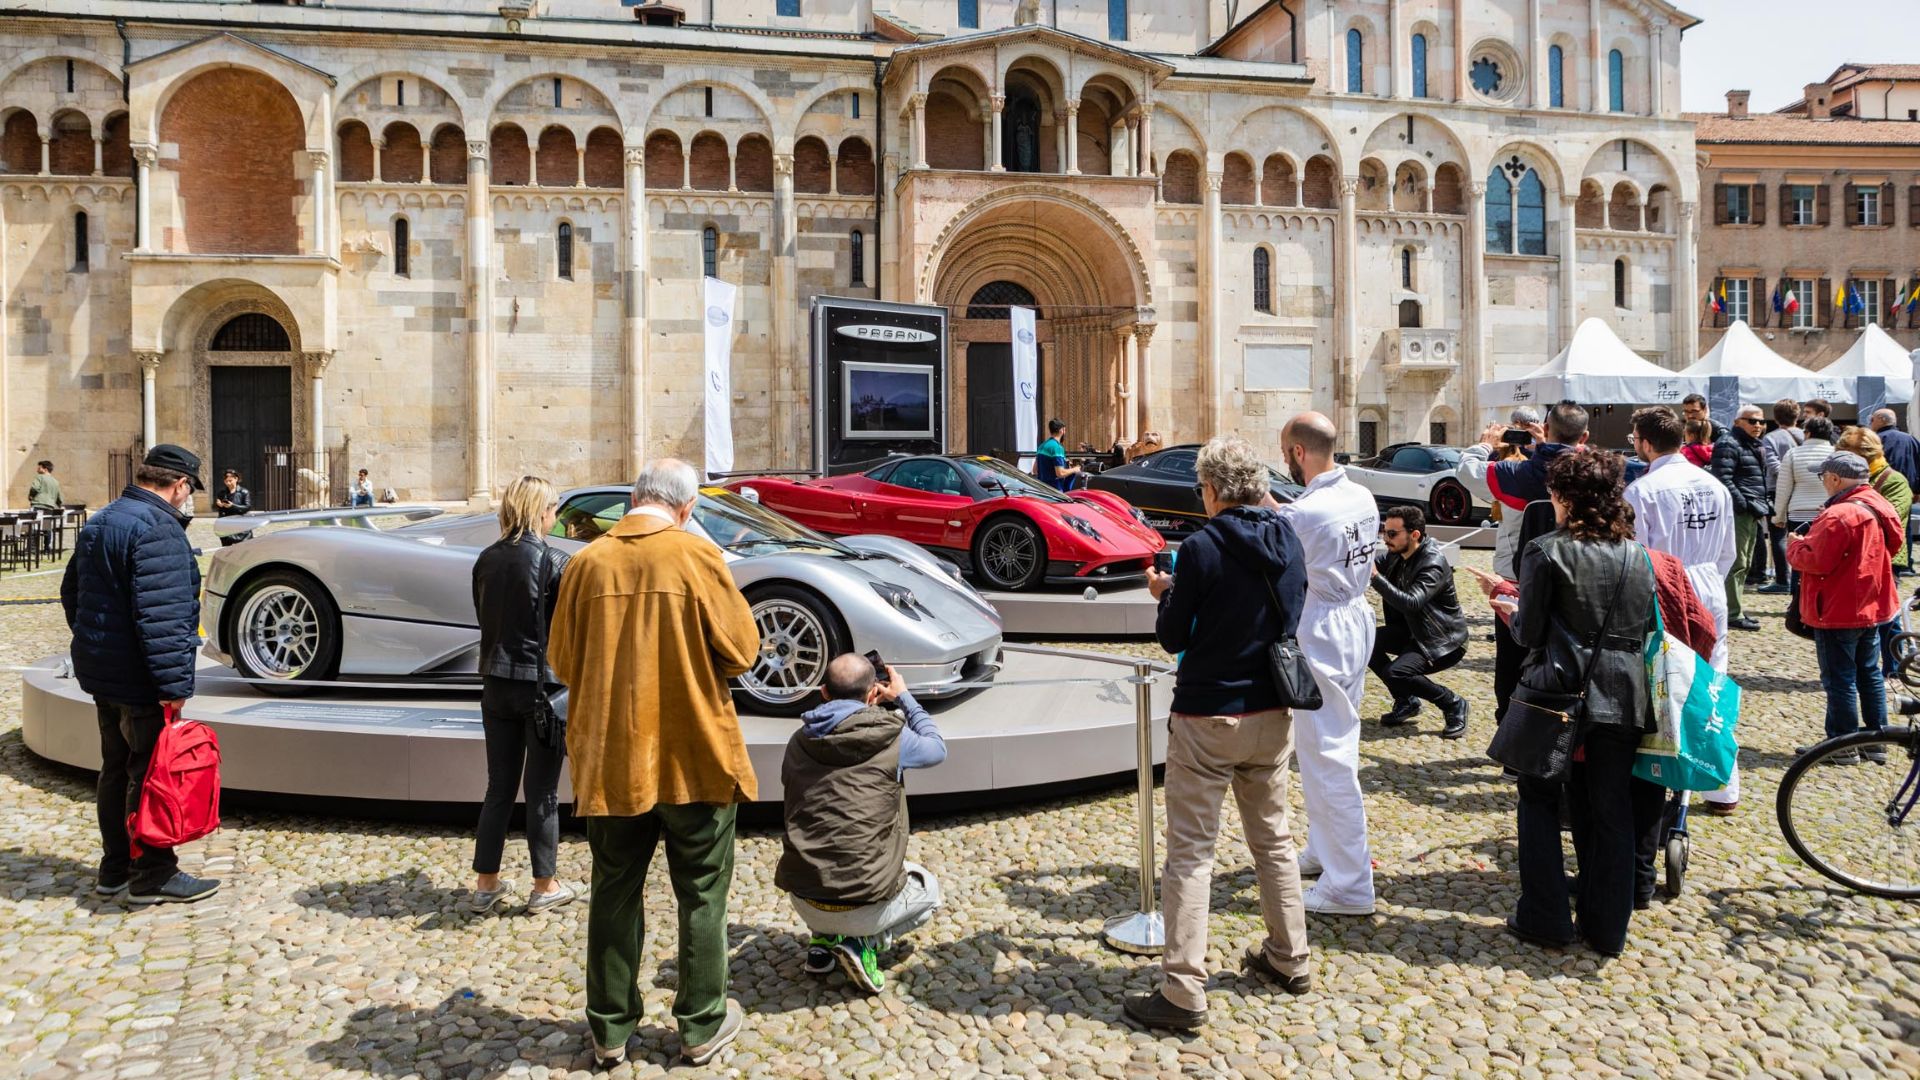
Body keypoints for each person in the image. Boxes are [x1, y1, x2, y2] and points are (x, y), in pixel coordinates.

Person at [547, 459, 760, 1068]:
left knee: (614, 891)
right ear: (686, 508)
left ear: (633, 499)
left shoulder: (585, 563)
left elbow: (563, 661)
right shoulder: (697, 558)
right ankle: (700, 1024)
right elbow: (743, 650)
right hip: (695, 754)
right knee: (701, 894)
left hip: (614, 758)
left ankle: (610, 1029)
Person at [1126, 435, 1310, 1031]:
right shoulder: (1288, 539)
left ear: (1210, 490)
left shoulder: (1202, 547)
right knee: (1275, 840)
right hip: (1272, 710)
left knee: (1191, 854)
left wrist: (1166, 594)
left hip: (1209, 712)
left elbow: (1174, 637)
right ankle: (1290, 956)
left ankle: (1183, 991)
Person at [1493, 451, 1662, 958]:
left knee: (1540, 801)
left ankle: (1545, 914)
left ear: (1564, 497)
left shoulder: (1546, 551)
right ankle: (1607, 927)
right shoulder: (1637, 555)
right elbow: (1644, 628)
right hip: (1624, 692)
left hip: (1558, 690)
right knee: (1610, 811)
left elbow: (1530, 632)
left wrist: (1511, 608)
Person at [59, 444, 220, 906]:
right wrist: (173, 688)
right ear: (181, 485)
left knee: (115, 769)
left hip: (104, 672)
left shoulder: (104, 519)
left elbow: (73, 595)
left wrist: (98, 647)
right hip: (140, 679)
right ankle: (152, 873)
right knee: (150, 773)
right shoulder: (159, 530)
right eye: (188, 491)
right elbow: (166, 619)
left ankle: (115, 869)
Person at [777, 654, 946, 996]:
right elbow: (936, 748)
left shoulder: (798, 741)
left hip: (804, 896)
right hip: (864, 901)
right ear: (872, 695)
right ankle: (864, 944)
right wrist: (902, 698)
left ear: (823, 692)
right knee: (929, 891)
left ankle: (823, 943)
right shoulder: (892, 739)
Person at [1273, 412, 1379, 916]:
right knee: (1332, 744)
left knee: (1326, 754)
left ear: (1297, 452)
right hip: (1356, 616)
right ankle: (1325, 849)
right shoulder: (1360, 495)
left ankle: (1350, 883)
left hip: (1324, 626)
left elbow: (1285, 542)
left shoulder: (1307, 512)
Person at [1625, 406, 1741, 814]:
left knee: (1667, 683)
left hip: (1668, 584)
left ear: (1644, 441)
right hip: (1709, 582)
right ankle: (1721, 786)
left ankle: (1667, 774)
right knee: (1712, 680)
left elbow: (1638, 553)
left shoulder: (1644, 490)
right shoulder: (1714, 485)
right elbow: (1729, 551)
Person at [469, 476, 575, 915]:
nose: (556, 515)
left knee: (499, 788)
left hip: (495, 683)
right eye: (553, 507)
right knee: (543, 791)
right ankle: (544, 886)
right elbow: (568, 629)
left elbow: (483, 618)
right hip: (542, 690)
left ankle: (485, 884)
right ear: (539, 511)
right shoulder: (554, 561)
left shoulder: (485, 559)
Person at [1470, 401, 1590, 721]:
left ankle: (1512, 730)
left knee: (1512, 658)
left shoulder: (1522, 474)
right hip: (1580, 579)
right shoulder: (1596, 472)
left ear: (1546, 429)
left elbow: (1468, 471)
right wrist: (1548, 446)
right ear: (1585, 437)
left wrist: (1485, 443)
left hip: (1518, 576)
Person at [1786, 452, 1902, 764]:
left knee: (1840, 678)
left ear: (1835, 478)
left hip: (1838, 608)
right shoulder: (1878, 503)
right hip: (1871, 605)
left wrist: (1795, 544)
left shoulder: (1840, 514)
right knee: (1869, 673)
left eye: (1823, 476)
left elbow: (1815, 559)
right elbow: (1894, 546)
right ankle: (1876, 741)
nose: (1822, 481)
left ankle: (1841, 745)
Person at [1367, 505, 1469, 738]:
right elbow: (1370, 563)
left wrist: (1375, 577)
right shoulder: (1397, 554)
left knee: (1397, 672)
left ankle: (1452, 703)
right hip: (1411, 631)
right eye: (1384, 532)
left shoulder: (1433, 563)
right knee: (1365, 642)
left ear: (1415, 535)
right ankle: (1406, 700)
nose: (1386, 539)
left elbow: (1411, 603)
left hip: (1441, 640)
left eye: (1392, 534)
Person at [1834, 428, 1912, 679]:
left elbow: (1892, 520)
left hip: (1886, 556)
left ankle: (1893, 666)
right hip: (1857, 554)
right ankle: (1867, 668)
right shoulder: (1848, 479)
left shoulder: (1893, 480)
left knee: (1886, 614)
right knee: (1866, 612)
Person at [1709, 404, 1771, 635]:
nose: (1758, 425)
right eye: (1752, 421)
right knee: (1736, 562)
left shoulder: (1750, 444)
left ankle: (1735, 609)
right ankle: (1731, 613)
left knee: (1743, 563)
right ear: (1737, 422)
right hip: (1740, 510)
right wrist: (1743, 503)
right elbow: (1723, 477)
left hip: (1751, 508)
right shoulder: (1729, 443)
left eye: (1761, 422)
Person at [1755, 399, 1805, 593]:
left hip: (1777, 489)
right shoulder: (1806, 435)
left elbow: (1772, 463)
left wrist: (1788, 474)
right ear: (1797, 415)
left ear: (1775, 417)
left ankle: (1783, 579)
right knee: (1801, 534)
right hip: (1801, 489)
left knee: (1778, 535)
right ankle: (1799, 577)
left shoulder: (1771, 438)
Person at [1774, 416, 1837, 558]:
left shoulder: (1793, 453)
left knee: (1799, 555)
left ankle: (1798, 581)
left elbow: (1784, 488)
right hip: (1828, 512)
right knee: (1826, 555)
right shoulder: (1836, 454)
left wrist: (1779, 516)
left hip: (1798, 513)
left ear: (1807, 433)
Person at [1033, 419, 1081, 492]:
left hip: (1042, 491)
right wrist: (1075, 469)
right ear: (1061, 430)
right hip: (1055, 492)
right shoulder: (1057, 447)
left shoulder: (1041, 446)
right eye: (1064, 430)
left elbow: (1035, 470)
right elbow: (1060, 473)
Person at [28, 459, 63, 553]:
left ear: (45, 469)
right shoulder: (55, 481)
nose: (37, 469)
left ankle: (32, 548)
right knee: (47, 527)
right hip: (50, 507)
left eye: (39, 467)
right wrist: (60, 505)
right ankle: (47, 548)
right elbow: (59, 497)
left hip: (38, 504)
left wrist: (31, 496)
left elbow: (34, 487)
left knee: (34, 526)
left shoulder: (39, 477)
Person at [212, 470, 252, 547]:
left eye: (230, 481)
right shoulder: (222, 493)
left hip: (240, 525)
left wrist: (232, 506)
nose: (228, 483)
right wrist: (218, 504)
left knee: (242, 548)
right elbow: (215, 506)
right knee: (227, 548)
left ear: (236, 479)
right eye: (226, 481)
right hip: (226, 524)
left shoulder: (244, 492)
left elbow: (247, 507)